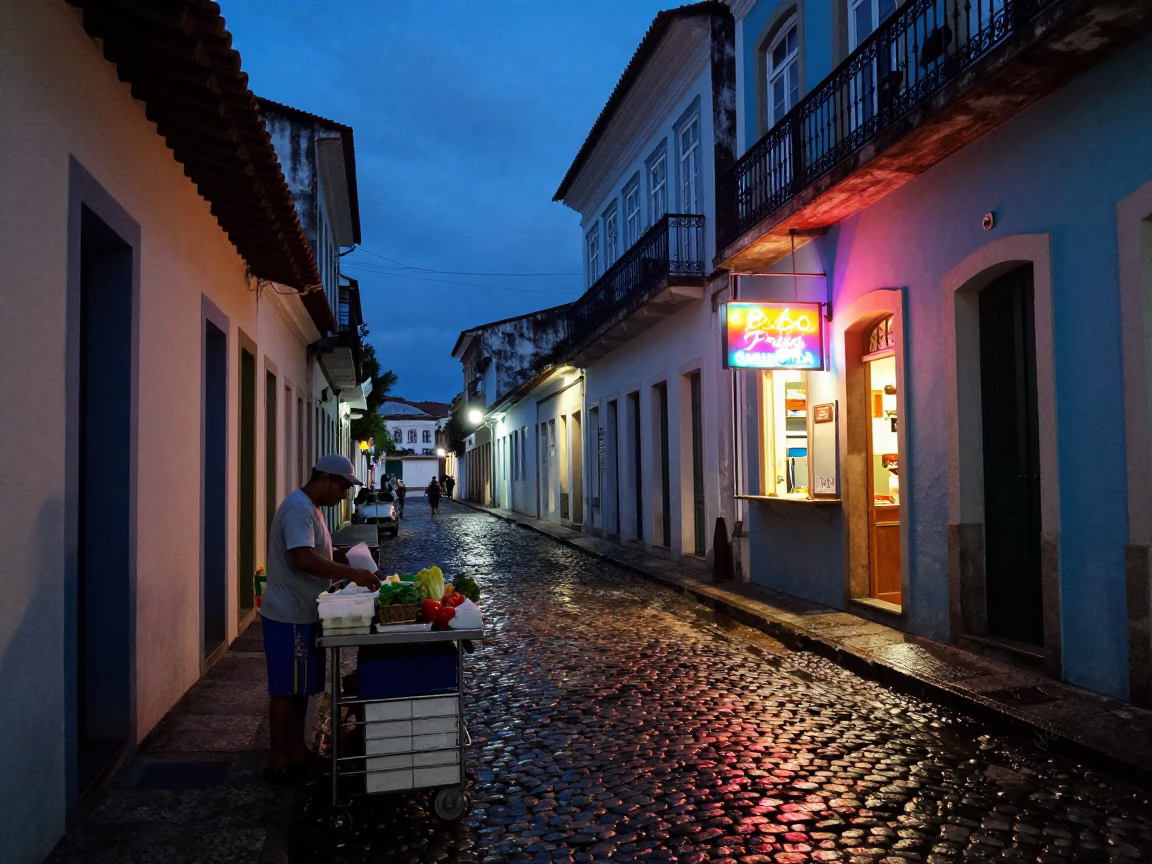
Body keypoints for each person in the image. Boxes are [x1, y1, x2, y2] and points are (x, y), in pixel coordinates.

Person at [259, 454, 380, 786]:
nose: (343, 495)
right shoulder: (299, 509)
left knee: (300, 691)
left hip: (304, 612)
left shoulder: (310, 509)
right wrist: (352, 572)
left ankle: (297, 753)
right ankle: (277, 762)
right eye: (341, 487)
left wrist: (348, 557)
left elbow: (317, 552)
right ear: (324, 478)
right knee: (285, 691)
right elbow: (303, 558)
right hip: (290, 615)